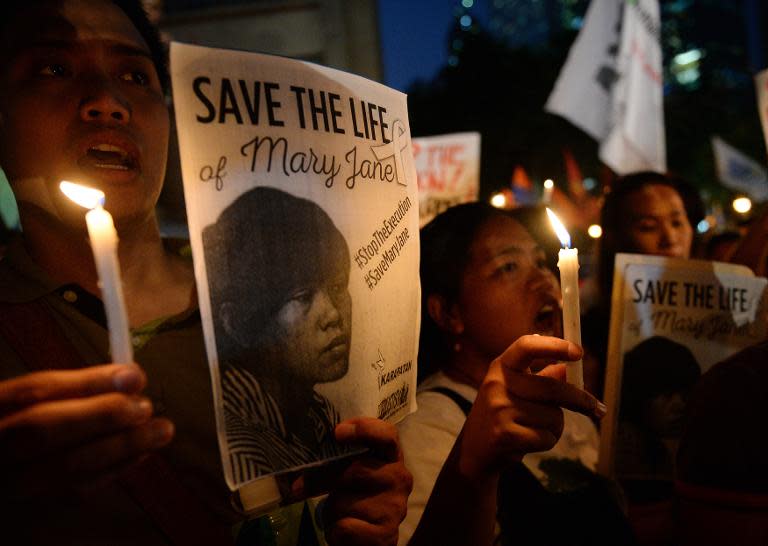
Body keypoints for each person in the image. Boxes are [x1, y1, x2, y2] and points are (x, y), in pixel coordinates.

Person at [0, 1, 411, 544]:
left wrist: (365, 515)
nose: (107, 101)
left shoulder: (250, 306)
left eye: (134, 75)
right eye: (54, 68)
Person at [399, 203, 631, 546]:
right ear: (448, 313)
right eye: (508, 267)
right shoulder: (426, 429)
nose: (543, 279)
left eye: (540, 262)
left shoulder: (560, 399)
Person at [203, 186, 353, 484]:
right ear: (237, 323)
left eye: (337, 287)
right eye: (301, 296)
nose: (333, 315)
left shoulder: (321, 417)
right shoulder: (237, 447)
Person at [583, 171, 704, 397]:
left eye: (677, 222)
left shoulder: (729, 319)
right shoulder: (588, 338)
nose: (670, 238)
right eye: (648, 226)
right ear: (616, 237)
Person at [616, 336, 701, 481]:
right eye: (667, 394)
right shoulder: (622, 447)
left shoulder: (667, 449)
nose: (679, 405)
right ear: (640, 394)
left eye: (685, 395)